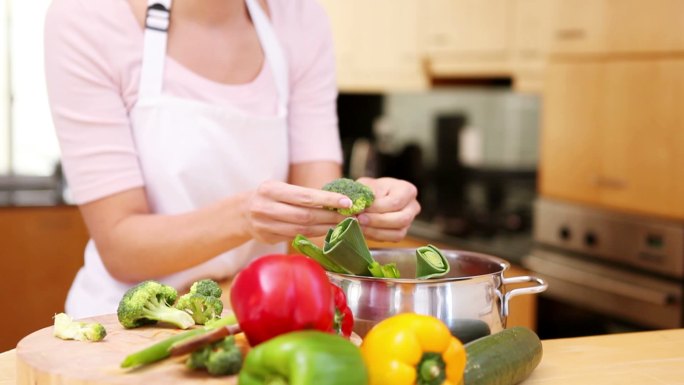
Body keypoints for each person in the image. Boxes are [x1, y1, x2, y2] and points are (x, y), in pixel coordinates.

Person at [44, 0, 421, 318]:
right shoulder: (87, 17)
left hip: (252, 314)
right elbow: (121, 247)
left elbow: (318, 222)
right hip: (123, 327)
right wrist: (244, 217)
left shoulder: (299, 16)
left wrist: (364, 209)